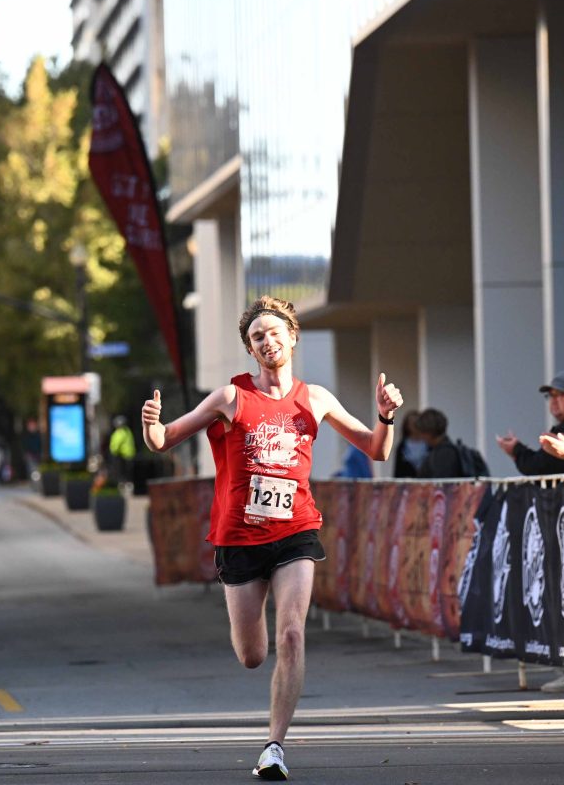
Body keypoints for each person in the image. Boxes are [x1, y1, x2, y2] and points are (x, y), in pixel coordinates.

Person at [140, 295, 403, 780]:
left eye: (274, 332)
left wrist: (385, 417)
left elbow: (376, 450)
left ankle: (274, 747)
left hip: (295, 530)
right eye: (257, 337)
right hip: (239, 538)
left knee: (292, 633)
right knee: (253, 655)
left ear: (292, 338)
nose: (267, 341)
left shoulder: (316, 398)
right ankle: (260, 671)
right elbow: (165, 439)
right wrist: (151, 426)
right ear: (251, 349)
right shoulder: (230, 397)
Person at [497, 371, 564, 476]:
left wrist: (516, 450)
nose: (554, 400)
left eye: (561, 394)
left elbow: (537, 467)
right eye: (551, 395)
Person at [412, 408, 486, 479]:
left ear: (428, 432)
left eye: (421, 433)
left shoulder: (444, 454)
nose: (421, 437)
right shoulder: (443, 451)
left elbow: (442, 483)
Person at [393, 410, 429, 478]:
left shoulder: (429, 444)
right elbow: (398, 471)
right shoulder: (402, 447)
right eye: (412, 423)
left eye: (417, 422)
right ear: (407, 426)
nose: (415, 425)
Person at [108, 415, 136, 487]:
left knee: (122, 470)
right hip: (129, 453)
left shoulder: (120, 432)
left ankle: (123, 483)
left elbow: (116, 444)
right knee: (128, 470)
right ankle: (128, 483)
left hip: (122, 454)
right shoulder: (127, 431)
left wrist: (113, 451)